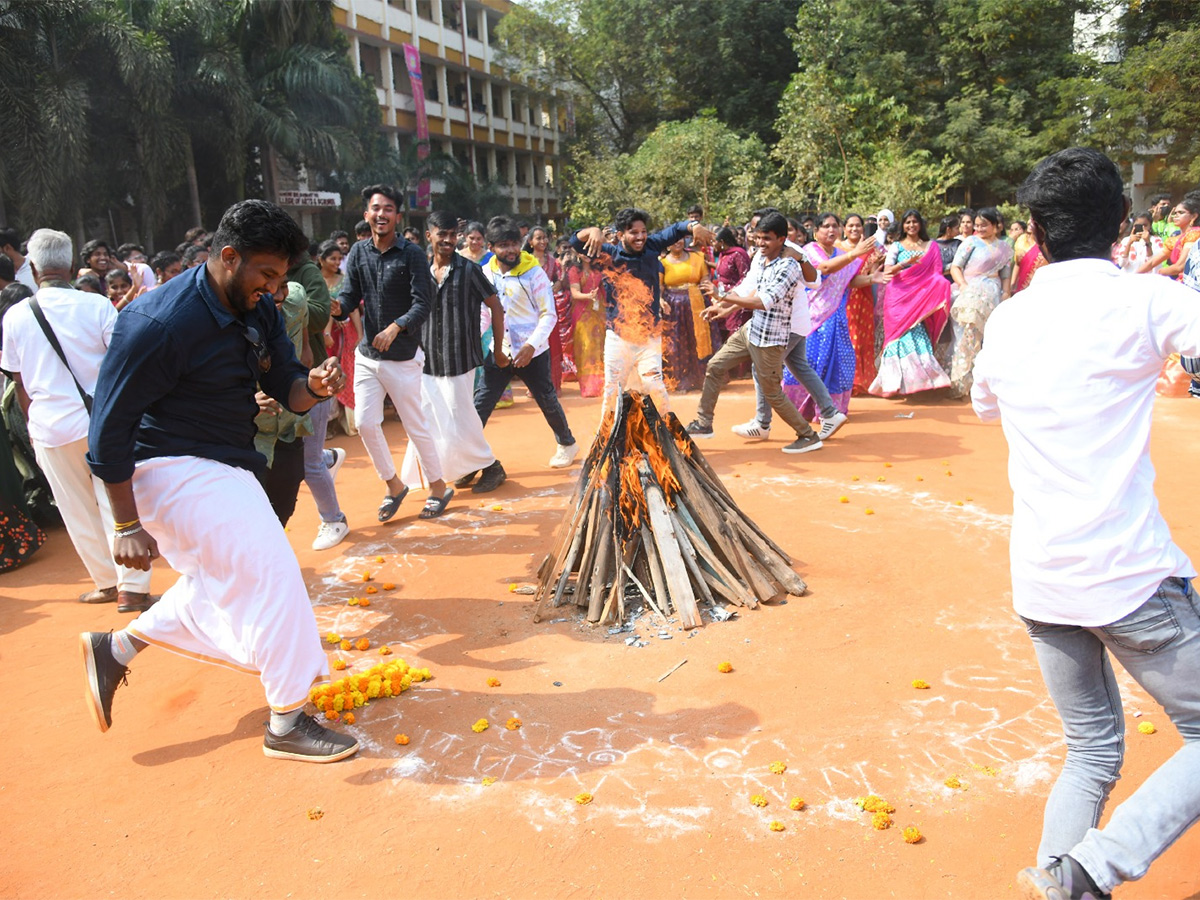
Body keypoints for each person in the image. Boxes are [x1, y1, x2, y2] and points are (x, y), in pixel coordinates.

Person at [971, 147, 1200, 900]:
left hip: (1043, 579)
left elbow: (985, 407)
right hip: (1130, 576)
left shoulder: (1010, 318)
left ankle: (1061, 883)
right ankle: (1097, 866)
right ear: (1123, 224)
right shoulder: (1148, 299)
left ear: (1033, 230)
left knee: (1093, 752)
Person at [81, 199, 357, 763]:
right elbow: (107, 430)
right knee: (271, 568)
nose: (275, 288)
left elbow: (286, 383)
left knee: (219, 579)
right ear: (228, 257)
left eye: (281, 277)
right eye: (267, 275)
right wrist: (126, 523)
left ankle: (116, 649)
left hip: (226, 461)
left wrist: (319, 385)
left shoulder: (257, 309)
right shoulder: (157, 323)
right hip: (164, 466)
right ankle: (286, 722)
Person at [1, 228, 156, 613]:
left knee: (75, 507)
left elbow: (20, 385)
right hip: (102, 420)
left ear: (33, 268)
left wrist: (33, 431)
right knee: (115, 499)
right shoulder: (98, 306)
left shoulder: (16, 316)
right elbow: (121, 362)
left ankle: (105, 581)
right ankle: (132, 587)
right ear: (72, 266)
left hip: (50, 426)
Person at [333, 184, 450, 522]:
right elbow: (349, 295)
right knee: (366, 424)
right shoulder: (357, 252)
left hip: (402, 357)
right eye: (375, 208)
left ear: (397, 216)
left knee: (415, 425)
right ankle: (394, 485)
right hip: (367, 356)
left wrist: (396, 327)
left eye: (388, 209)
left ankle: (438, 487)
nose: (380, 214)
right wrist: (336, 307)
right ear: (366, 214)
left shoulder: (412, 254)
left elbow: (423, 303)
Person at [686, 212, 825, 454]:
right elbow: (747, 288)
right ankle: (703, 422)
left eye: (767, 239)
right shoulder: (760, 258)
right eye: (758, 238)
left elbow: (763, 301)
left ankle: (808, 435)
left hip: (771, 339)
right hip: (752, 329)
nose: (760, 243)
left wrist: (722, 296)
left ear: (782, 239)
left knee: (771, 392)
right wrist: (722, 307)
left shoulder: (789, 266)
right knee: (716, 366)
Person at [568, 207, 715, 415]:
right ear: (620, 235)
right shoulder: (607, 254)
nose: (640, 237)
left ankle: (666, 435)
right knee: (612, 391)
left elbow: (676, 229)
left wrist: (694, 226)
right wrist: (592, 230)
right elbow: (575, 241)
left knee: (654, 386)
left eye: (643, 231)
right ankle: (608, 439)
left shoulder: (652, 245)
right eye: (633, 233)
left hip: (650, 335)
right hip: (618, 336)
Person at [405, 210, 508, 494]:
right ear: (430, 236)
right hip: (427, 361)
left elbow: (496, 308)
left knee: (460, 415)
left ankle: (491, 466)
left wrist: (497, 350)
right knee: (433, 419)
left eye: (453, 235)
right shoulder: (420, 274)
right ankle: (465, 467)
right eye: (442, 234)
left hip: (461, 358)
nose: (448, 240)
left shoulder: (470, 270)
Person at [474, 216, 578, 469]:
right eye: (503, 245)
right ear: (491, 248)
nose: (510, 250)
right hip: (499, 350)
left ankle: (567, 443)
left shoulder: (535, 274)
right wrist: (474, 339)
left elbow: (548, 314)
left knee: (547, 400)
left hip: (534, 351)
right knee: (481, 404)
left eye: (514, 244)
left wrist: (531, 346)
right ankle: (470, 456)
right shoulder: (485, 274)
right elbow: (484, 313)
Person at [783, 213, 880, 423]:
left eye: (834, 226)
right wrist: (854, 253)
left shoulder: (839, 252)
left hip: (837, 318)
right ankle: (798, 408)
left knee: (839, 363)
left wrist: (872, 277)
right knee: (809, 363)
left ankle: (831, 409)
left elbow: (848, 281)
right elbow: (825, 268)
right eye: (825, 226)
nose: (831, 230)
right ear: (816, 232)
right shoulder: (809, 251)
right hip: (812, 320)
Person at [869, 210, 951, 397]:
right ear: (903, 226)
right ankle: (892, 385)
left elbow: (937, 273)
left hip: (920, 298)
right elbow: (888, 271)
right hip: (898, 297)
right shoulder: (896, 246)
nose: (911, 225)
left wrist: (936, 289)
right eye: (907, 222)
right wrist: (906, 263)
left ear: (920, 224)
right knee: (896, 339)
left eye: (915, 222)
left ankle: (920, 383)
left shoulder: (931, 246)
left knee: (917, 334)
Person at [946, 207, 1012, 397]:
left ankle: (982, 385)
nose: (979, 228)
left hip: (993, 295)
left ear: (996, 226)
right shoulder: (970, 242)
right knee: (963, 335)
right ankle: (960, 383)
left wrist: (1006, 292)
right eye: (977, 225)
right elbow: (956, 267)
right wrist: (964, 286)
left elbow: (1006, 274)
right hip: (968, 294)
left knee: (988, 338)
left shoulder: (1005, 247)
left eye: (984, 225)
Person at [836, 214, 882, 395]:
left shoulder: (871, 251)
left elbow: (873, 276)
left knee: (861, 339)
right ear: (844, 228)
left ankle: (862, 381)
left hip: (862, 298)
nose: (854, 229)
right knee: (845, 339)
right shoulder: (837, 249)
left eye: (857, 226)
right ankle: (846, 381)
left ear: (863, 228)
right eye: (850, 226)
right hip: (841, 298)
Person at [659, 237, 712, 392]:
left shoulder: (697, 257)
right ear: (666, 244)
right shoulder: (662, 263)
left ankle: (702, 379)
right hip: (673, 306)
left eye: (680, 239)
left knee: (697, 340)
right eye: (674, 240)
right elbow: (660, 286)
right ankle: (679, 381)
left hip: (696, 303)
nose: (678, 242)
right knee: (676, 343)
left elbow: (705, 277)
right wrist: (660, 300)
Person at [318, 239, 357, 437]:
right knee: (325, 374)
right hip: (321, 334)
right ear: (321, 260)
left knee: (345, 373)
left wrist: (358, 334)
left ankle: (346, 421)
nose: (337, 262)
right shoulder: (314, 282)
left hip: (344, 334)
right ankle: (329, 422)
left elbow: (355, 308)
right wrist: (325, 333)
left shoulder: (344, 281)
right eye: (332, 258)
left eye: (339, 258)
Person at [565, 246, 608, 398]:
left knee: (599, 349)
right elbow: (575, 293)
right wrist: (589, 296)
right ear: (578, 253)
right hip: (582, 314)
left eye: (590, 251)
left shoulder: (598, 269)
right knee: (585, 349)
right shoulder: (574, 271)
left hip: (598, 313)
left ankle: (602, 385)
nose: (588, 255)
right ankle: (589, 387)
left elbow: (603, 290)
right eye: (584, 252)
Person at [1137, 192, 1200, 279]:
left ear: (1194, 216)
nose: (1176, 215)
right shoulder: (1176, 238)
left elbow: (1180, 266)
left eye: (1181, 213)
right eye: (1175, 212)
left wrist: (1159, 273)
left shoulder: (1194, 235)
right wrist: (1134, 275)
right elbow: (1151, 263)